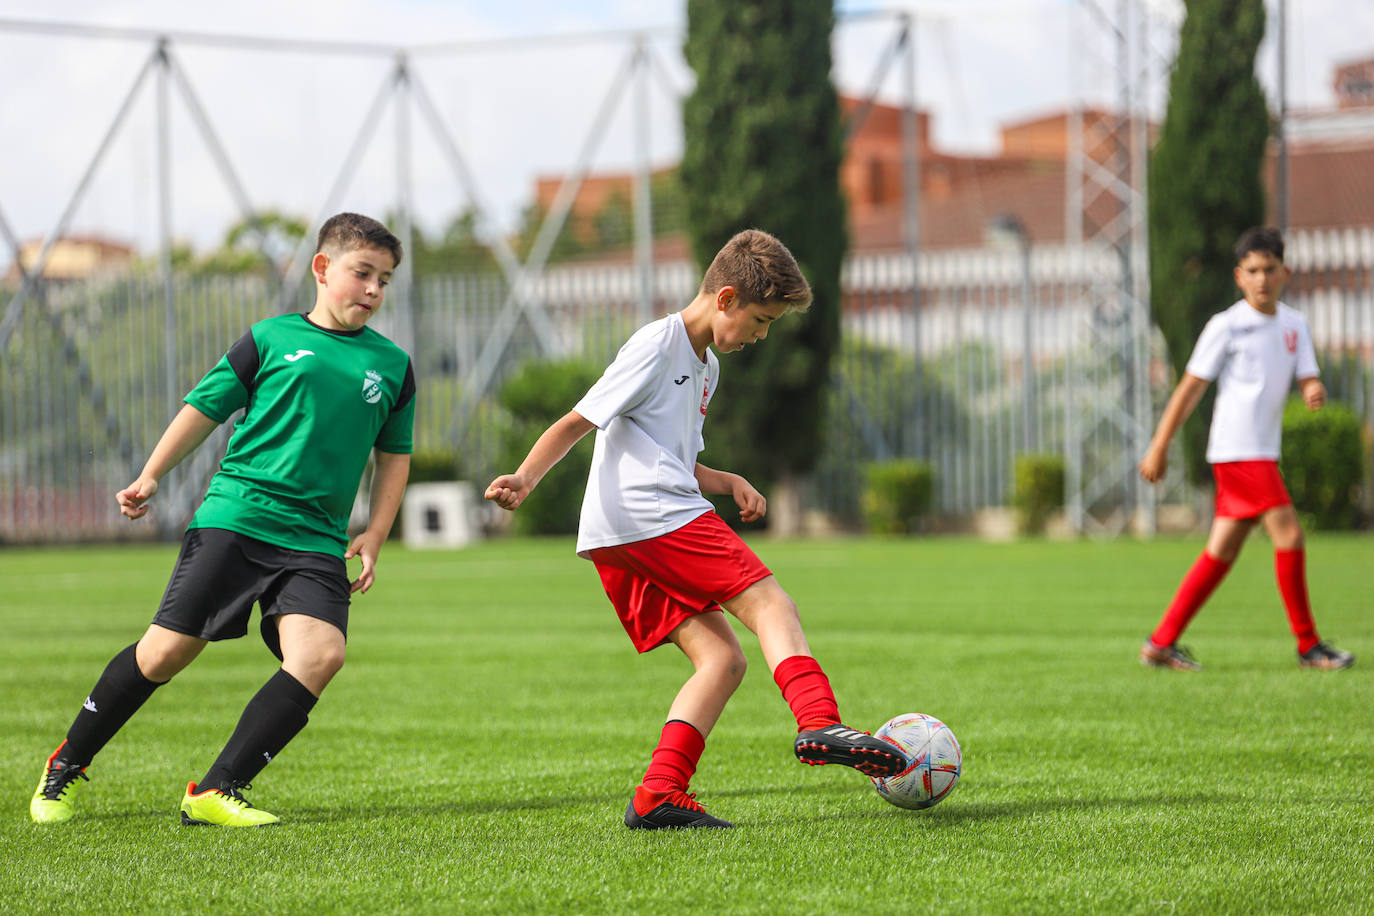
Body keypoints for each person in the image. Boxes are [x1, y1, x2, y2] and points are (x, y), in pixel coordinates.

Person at [485, 228, 906, 830]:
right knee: (771, 604)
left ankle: (658, 793)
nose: (760, 336)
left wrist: (726, 479)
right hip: (651, 513)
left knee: (721, 659)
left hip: (620, 533)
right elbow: (580, 420)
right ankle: (818, 720)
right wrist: (525, 478)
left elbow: (672, 455)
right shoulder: (659, 344)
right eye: (760, 321)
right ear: (726, 297)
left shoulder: (704, 368)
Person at [30, 212, 415, 827]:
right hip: (238, 518)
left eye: (385, 280)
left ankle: (216, 791)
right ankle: (66, 764)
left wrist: (375, 531)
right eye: (362, 273)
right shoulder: (268, 338)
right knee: (164, 654)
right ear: (322, 268)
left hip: (316, 539)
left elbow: (394, 456)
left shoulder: (393, 366)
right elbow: (203, 408)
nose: (373, 290)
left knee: (321, 654)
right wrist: (151, 473)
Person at [1137, 226, 1353, 673]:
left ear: (1284, 272)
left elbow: (1307, 374)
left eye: (1270, 270)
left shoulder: (1295, 324)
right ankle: (1309, 645)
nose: (1262, 279)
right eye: (1252, 270)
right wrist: (1160, 445)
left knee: (1220, 553)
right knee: (1290, 535)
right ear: (1239, 276)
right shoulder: (1226, 326)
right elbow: (1189, 389)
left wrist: (1313, 389)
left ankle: (1160, 643)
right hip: (1237, 451)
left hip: (1261, 451)